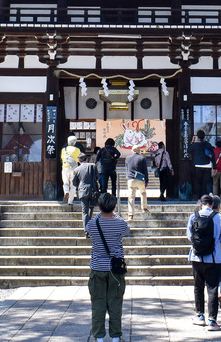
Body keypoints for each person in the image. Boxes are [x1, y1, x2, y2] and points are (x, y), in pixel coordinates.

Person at [87, 192, 130, 342]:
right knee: (115, 302)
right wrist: (115, 215)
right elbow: (127, 229)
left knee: (98, 303)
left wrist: (100, 214)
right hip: (115, 269)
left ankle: (99, 338)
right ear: (114, 207)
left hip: (98, 267)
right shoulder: (119, 223)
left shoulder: (93, 223)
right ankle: (116, 337)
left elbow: (88, 227)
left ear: (99, 207)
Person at [187, 193, 221, 331]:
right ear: (212, 204)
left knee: (198, 286)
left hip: (196, 257)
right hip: (214, 258)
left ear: (201, 203)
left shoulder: (193, 216)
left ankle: (200, 316)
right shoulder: (219, 217)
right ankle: (212, 321)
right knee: (212, 288)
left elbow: (189, 236)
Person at [71, 152, 100, 234]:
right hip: (92, 190)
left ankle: (86, 230)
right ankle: (89, 227)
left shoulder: (76, 170)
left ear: (78, 161)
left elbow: (74, 183)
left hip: (82, 191)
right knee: (91, 209)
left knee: (84, 211)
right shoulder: (92, 166)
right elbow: (98, 177)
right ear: (86, 159)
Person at [187, 130, 215, 198]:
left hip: (198, 165)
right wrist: (215, 167)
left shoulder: (195, 145)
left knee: (199, 182)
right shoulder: (208, 144)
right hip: (207, 165)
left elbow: (188, 150)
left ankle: (200, 197)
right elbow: (213, 156)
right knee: (208, 181)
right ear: (204, 136)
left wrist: (192, 142)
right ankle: (210, 193)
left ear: (197, 137)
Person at [125, 144, 149, 220]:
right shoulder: (142, 158)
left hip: (131, 179)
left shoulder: (128, 158)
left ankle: (130, 214)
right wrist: (146, 181)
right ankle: (144, 208)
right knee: (143, 193)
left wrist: (128, 177)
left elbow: (127, 168)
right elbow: (145, 170)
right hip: (140, 179)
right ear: (139, 151)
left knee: (131, 197)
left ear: (132, 151)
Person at [60, 135, 81, 205]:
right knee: (73, 185)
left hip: (65, 167)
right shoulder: (77, 150)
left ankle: (66, 191)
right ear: (74, 142)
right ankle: (70, 201)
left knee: (65, 183)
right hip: (74, 169)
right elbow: (79, 159)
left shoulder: (64, 150)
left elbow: (62, 158)